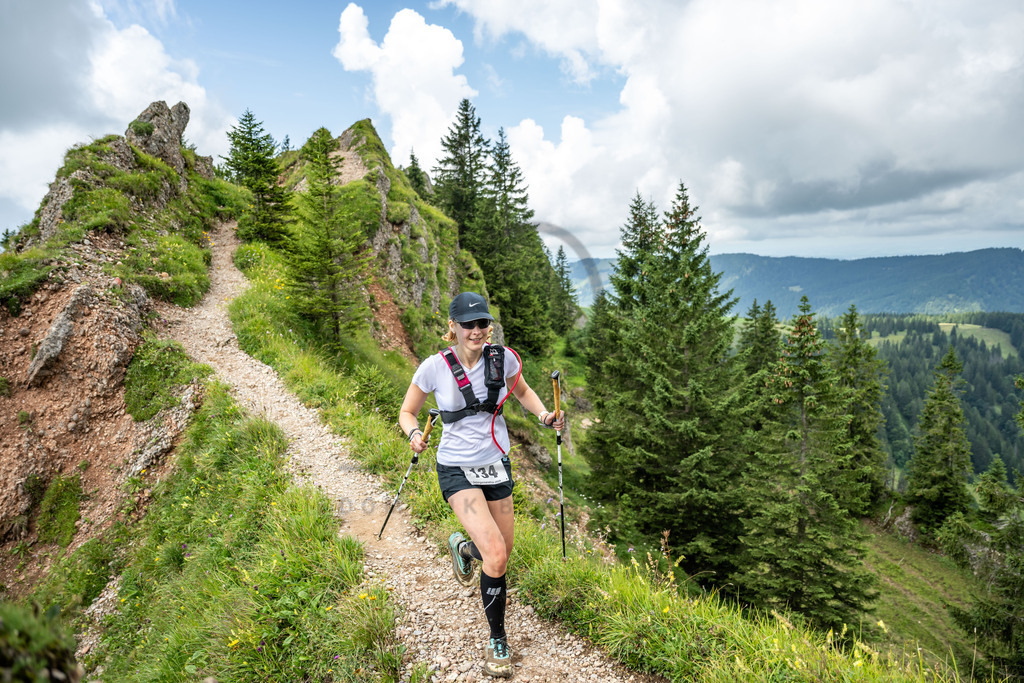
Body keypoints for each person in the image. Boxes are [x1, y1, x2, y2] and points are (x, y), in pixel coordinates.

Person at [399, 292, 564, 678]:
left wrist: (543, 415)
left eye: (483, 323)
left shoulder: (501, 358)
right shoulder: (433, 368)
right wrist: (412, 435)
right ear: (452, 328)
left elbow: (521, 390)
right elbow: (408, 411)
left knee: (501, 551)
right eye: (468, 324)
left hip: (496, 463)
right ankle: (497, 640)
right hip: (456, 468)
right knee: (495, 554)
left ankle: (461, 547)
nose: (476, 331)